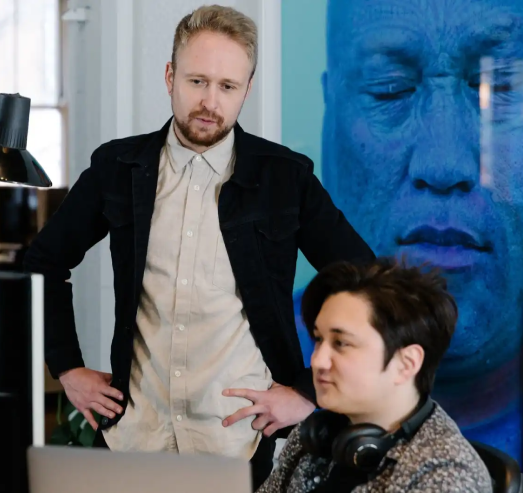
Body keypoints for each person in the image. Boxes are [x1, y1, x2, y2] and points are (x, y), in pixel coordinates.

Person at [24, 4, 374, 489]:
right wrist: (66, 367)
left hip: (237, 441)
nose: (210, 102)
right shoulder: (116, 167)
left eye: (228, 86)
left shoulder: (286, 178)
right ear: (170, 76)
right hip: (134, 434)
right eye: (197, 81)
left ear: (246, 89)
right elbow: (42, 262)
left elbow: (367, 285)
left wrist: (307, 390)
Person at [292, 0, 523, 460]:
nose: (443, 164)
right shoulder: (245, 367)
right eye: (389, 89)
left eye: (500, 84)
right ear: (331, 107)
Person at [261, 259, 492, 492]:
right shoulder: (316, 436)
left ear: (406, 364)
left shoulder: (447, 479)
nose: (317, 360)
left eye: (341, 343)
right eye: (319, 339)